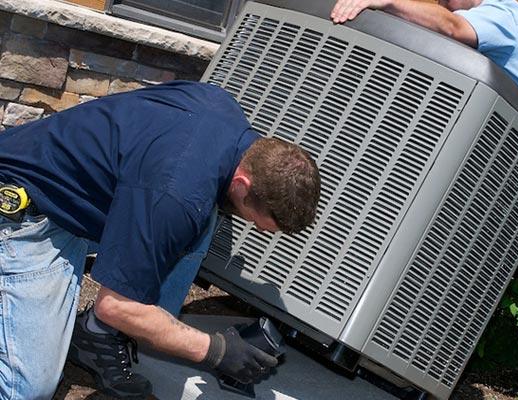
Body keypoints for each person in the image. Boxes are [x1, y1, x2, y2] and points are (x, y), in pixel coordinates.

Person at [0, 80, 321, 399]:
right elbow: (115, 306)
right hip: (28, 213)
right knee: (25, 388)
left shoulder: (220, 106)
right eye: (259, 221)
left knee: (199, 216)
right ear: (243, 183)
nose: (258, 229)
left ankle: (97, 335)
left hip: (80, 189)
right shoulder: (176, 195)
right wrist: (215, 350)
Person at [332, 0, 518, 370]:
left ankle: (412, 363)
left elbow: (452, 27)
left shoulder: (505, 15)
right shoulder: (495, 24)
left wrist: (386, 1)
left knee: (467, 255)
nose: (440, 3)